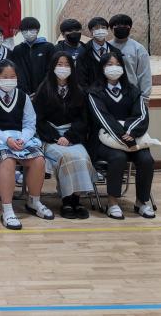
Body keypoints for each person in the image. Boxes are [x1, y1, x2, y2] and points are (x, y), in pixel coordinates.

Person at [0, 60, 53, 230]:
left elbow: (30, 124)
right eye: (5, 77)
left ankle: (34, 201)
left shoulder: (23, 97)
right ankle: (7, 209)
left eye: (12, 77)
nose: (9, 80)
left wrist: (23, 139)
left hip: (21, 139)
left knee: (39, 159)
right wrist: (7, 139)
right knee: (8, 160)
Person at [87, 52, 155, 220]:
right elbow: (103, 118)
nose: (114, 68)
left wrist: (130, 133)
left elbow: (141, 115)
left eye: (117, 64)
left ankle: (141, 201)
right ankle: (112, 203)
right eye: (109, 65)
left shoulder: (132, 90)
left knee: (146, 159)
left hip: (132, 138)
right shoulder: (95, 92)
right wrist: (122, 135)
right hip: (104, 141)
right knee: (118, 157)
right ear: (102, 68)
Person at [32, 52, 95, 219]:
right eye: (59, 64)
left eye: (67, 65)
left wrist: (69, 137)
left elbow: (83, 119)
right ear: (53, 67)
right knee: (66, 157)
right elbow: (38, 119)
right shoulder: (43, 90)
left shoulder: (79, 91)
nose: (63, 68)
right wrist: (55, 137)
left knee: (82, 157)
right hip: (50, 137)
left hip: (72, 136)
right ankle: (67, 200)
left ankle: (77, 200)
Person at [108, 14, 151, 99]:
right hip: (109, 93)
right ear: (111, 29)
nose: (121, 27)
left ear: (130, 28)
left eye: (125, 25)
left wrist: (145, 97)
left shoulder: (138, 48)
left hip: (131, 94)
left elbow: (144, 74)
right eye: (117, 25)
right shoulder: (106, 47)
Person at [11, 17, 55, 95]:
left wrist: (41, 90)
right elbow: (17, 72)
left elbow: (51, 70)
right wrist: (24, 92)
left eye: (31, 29)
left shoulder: (48, 47)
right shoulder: (17, 50)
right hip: (24, 93)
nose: (28, 32)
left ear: (38, 30)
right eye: (25, 30)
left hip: (45, 92)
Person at [76, 17, 120, 91]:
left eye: (103, 28)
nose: (100, 30)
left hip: (112, 92)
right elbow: (81, 79)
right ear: (91, 31)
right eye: (96, 28)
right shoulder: (83, 52)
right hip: (91, 93)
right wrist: (89, 94)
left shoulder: (115, 51)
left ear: (107, 30)